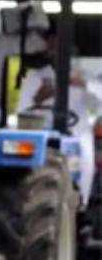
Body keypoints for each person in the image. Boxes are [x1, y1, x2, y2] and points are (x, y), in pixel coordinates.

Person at [18, 27, 99, 203]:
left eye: (63, 47)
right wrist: (39, 98)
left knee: (85, 159)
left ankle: (81, 204)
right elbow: (22, 111)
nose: (58, 51)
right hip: (45, 134)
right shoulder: (36, 77)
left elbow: (97, 100)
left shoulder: (83, 76)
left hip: (77, 133)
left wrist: (83, 84)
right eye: (54, 46)